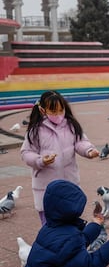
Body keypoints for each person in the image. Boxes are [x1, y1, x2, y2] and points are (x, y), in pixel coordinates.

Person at [21, 90, 100, 226]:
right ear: (42, 110)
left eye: (60, 110)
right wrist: (40, 160)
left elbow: (80, 142)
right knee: (50, 226)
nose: (58, 115)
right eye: (53, 111)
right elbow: (26, 153)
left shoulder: (70, 125)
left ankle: (72, 246)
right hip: (46, 187)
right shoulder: (35, 130)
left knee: (71, 222)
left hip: (68, 182)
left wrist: (89, 150)